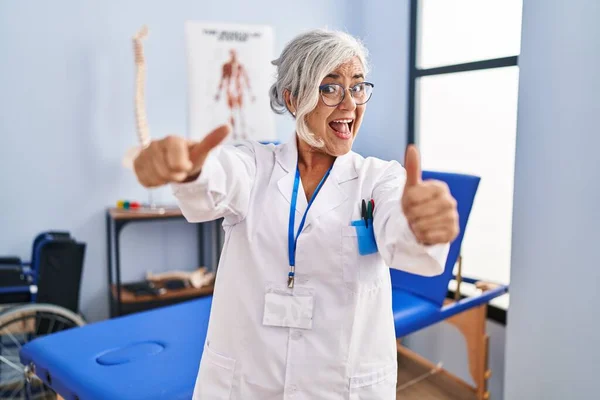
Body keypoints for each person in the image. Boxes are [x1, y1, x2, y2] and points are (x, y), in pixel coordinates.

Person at [133, 29, 459, 400]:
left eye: (357, 87)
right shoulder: (255, 165)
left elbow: (401, 229)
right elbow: (217, 176)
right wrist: (190, 170)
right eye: (330, 87)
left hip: (340, 385)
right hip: (249, 382)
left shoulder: (380, 178)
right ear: (292, 99)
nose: (350, 104)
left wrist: (424, 227)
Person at [214, 49, 255, 140]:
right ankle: (235, 133)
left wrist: (251, 94)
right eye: (232, 54)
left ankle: (244, 132)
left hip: (239, 90)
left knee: (241, 112)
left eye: (235, 54)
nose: (234, 56)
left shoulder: (240, 66)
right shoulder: (226, 66)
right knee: (232, 112)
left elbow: (246, 79)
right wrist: (218, 93)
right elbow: (222, 79)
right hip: (230, 90)